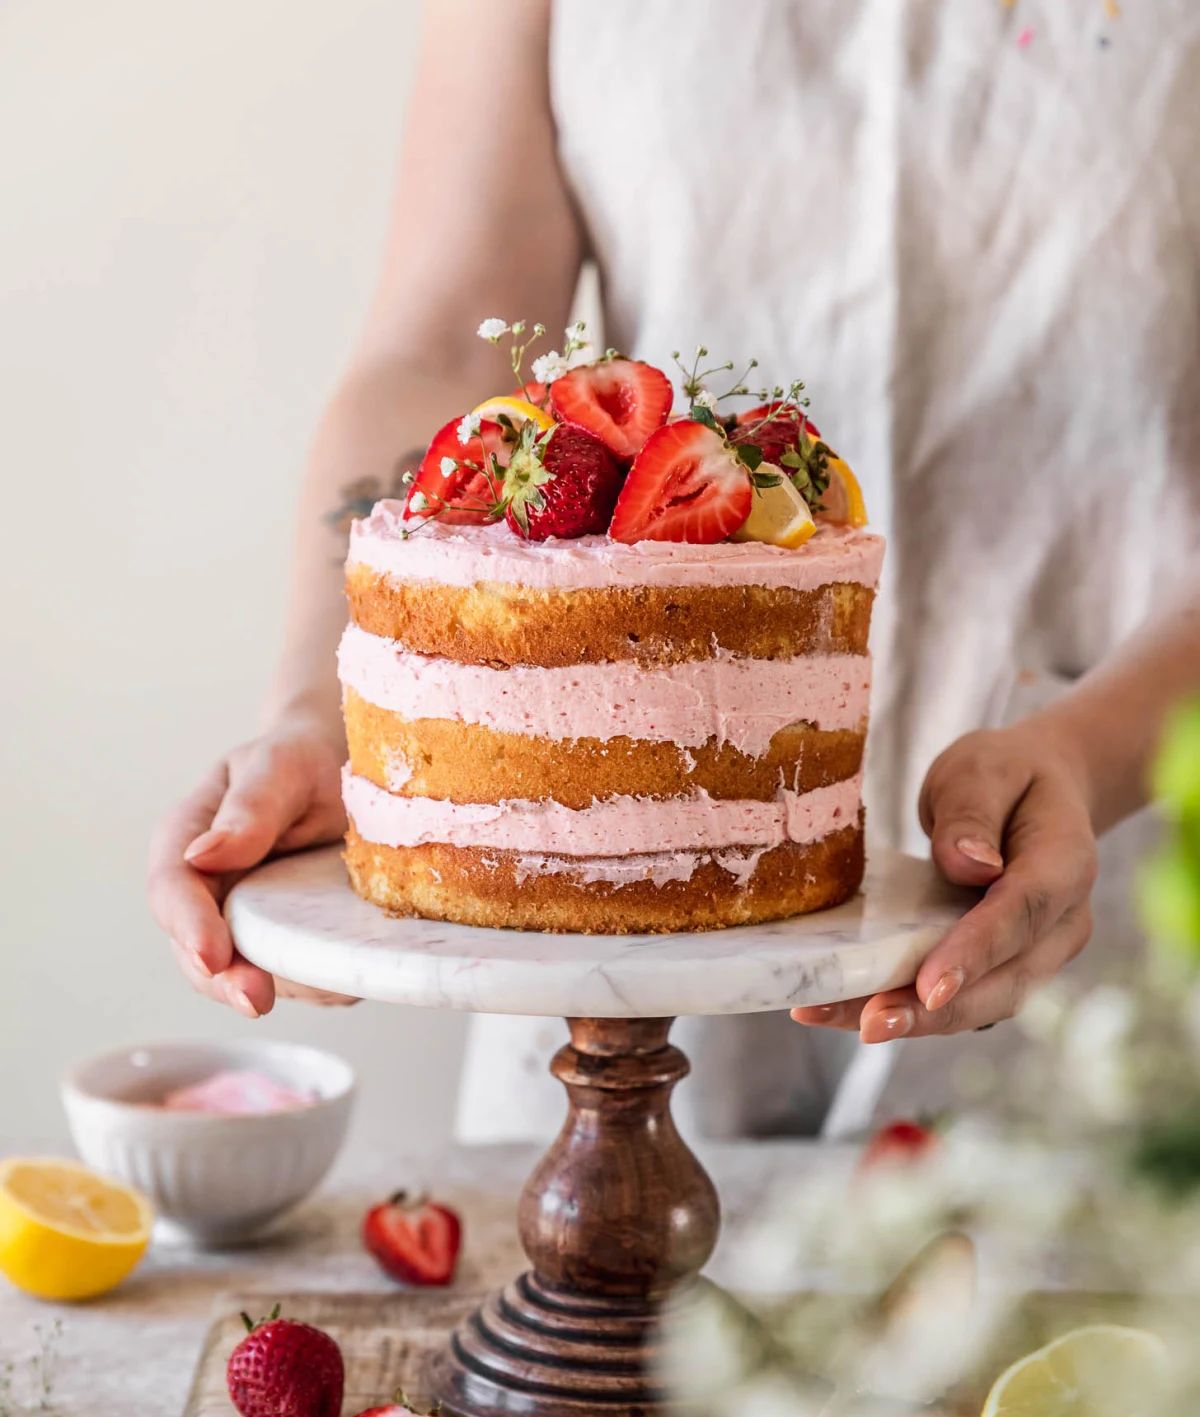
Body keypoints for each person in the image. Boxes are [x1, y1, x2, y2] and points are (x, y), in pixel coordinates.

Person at [147, 0, 1200, 1136]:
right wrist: (323, 713)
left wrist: (1089, 753)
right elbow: (445, 344)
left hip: (1119, 814)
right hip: (582, 910)